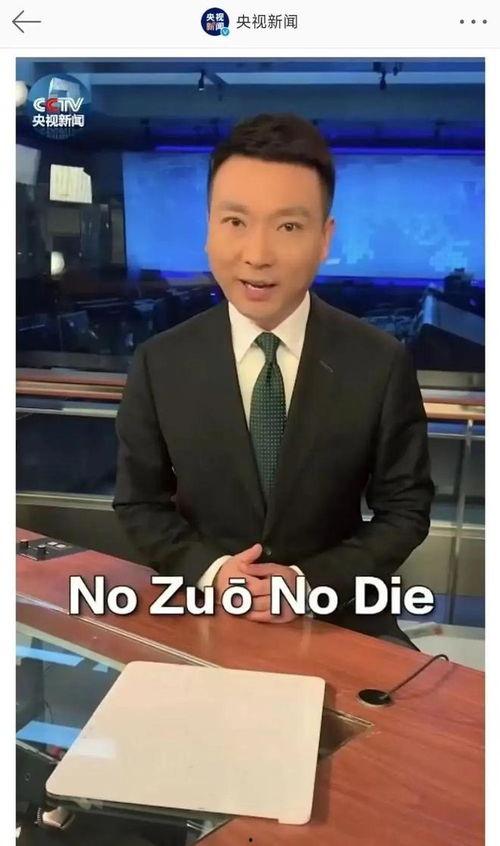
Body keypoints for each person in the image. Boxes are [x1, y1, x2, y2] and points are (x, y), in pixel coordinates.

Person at [113, 113, 434, 646]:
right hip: (203, 608)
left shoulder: (379, 361)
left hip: (339, 613)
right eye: (235, 222)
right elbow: (138, 503)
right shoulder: (159, 362)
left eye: (288, 227)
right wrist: (214, 572)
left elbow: (405, 510)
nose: (258, 255)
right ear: (209, 228)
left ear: (324, 238)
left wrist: (309, 584)